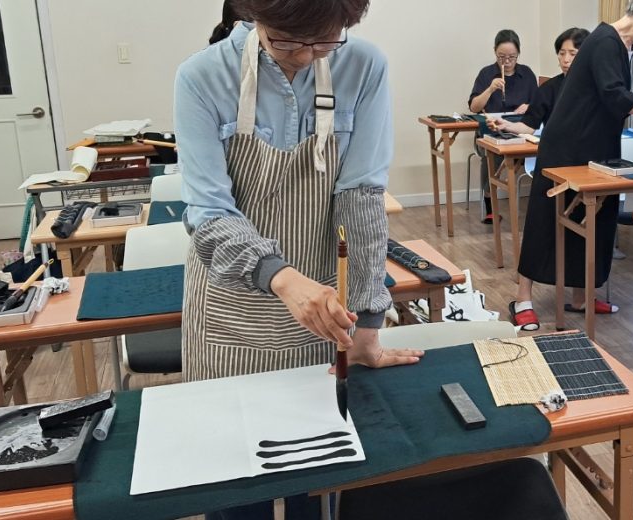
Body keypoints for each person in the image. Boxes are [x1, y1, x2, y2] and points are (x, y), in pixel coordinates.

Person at [175, 1, 423, 517]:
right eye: (287, 41)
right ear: (256, 16)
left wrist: (368, 323)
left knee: (311, 482)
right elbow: (209, 213)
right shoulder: (202, 77)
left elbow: (362, 198)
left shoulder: (364, 66)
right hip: (231, 313)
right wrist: (283, 278)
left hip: (318, 315)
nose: (307, 56)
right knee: (235, 489)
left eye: (325, 40)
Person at [510, 0, 633, 330]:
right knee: (545, 222)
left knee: (592, 222)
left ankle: (582, 297)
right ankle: (522, 298)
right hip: (566, 148)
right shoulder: (605, 41)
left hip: (597, 149)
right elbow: (614, 95)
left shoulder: (624, 45)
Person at [470, 29, 539, 224]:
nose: (506, 61)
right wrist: (490, 88)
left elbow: (539, 105)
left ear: (518, 54)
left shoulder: (526, 74)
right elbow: (474, 107)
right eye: (502, 57)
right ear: (495, 52)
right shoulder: (486, 74)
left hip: (521, 129)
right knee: (491, 153)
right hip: (491, 130)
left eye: (511, 57)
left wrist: (529, 106)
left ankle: (540, 208)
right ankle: (490, 204)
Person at [490, 27, 590, 136]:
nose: (566, 60)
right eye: (562, 53)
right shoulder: (548, 89)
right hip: (556, 144)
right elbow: (529, 126)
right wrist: (507, 125)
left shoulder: (597, 86)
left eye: (572, 54)